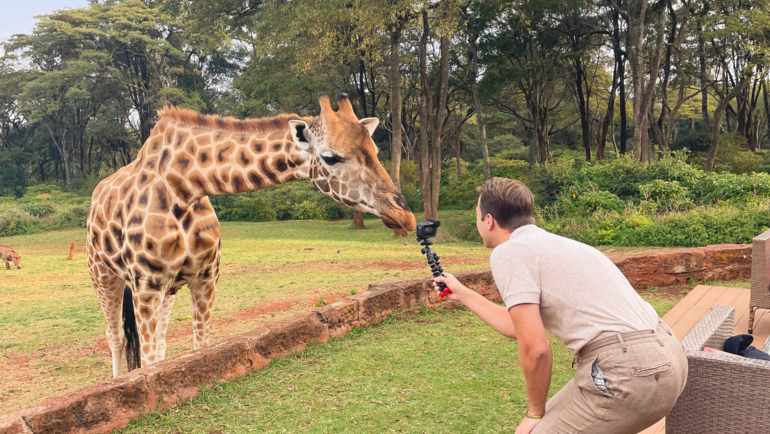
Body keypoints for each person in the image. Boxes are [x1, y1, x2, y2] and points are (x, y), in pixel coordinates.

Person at [434, 177, 688, 434]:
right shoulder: (558, 245)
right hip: (671, 360)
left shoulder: (510, 251)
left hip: (630, 372)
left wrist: (535, 412)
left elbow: (536, 349)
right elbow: (517, 328)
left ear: (488, 220)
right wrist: (463, 294)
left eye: (477, 215)